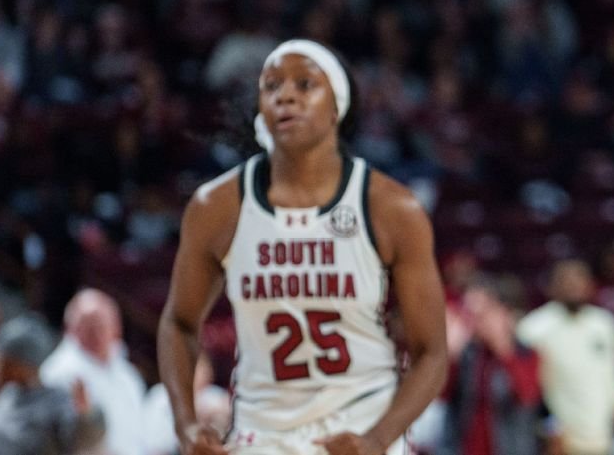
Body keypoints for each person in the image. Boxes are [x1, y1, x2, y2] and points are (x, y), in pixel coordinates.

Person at [158, 38, 447, 454]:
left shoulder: (390, 207)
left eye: (304, 84)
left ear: (337, 106)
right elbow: (178, 323)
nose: (285, 95)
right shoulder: (216, 207)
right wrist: (185, 425)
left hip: (359, 427)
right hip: (263, 433)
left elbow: (432, 352)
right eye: (272, 85)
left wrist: (378, 439)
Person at [517, 260, 614, 455]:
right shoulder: (533, 329)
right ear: (553, 286)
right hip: (560, 442)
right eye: (566, 280)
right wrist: (548, 426)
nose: (573, 286)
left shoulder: (604, 324)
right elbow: (529, 390)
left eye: (579, 279)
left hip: (604, 439)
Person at [0, 312, 106, 455]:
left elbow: (84, 437)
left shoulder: (55, 401)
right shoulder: (8, 396)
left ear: (24, 365)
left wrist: (86, 415)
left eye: (7, 361)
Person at [440, 274, 541, 455]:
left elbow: (527, 397)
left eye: (482, 313)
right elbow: (443, 399)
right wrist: (449, 357)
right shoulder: (469, 354)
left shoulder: (524, 353)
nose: (474, 321)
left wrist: (503, 348)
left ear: (502, 312)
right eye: (470, 313)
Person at [40, 288, 147, 455]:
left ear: (116, 327)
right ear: (71, 328)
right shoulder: (58, 372)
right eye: (88, 324)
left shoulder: (128, 374)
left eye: (102, 323)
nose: (96, 331)